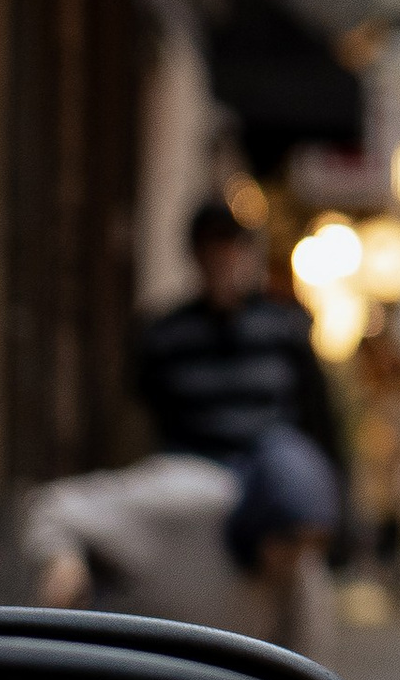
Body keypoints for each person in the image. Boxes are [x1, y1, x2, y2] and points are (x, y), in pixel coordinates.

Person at [23, 423, 342, 651]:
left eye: (311, 545)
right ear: (256, 520)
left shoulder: (301, 573)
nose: (297, 558)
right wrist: (63, 559)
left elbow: (303, 678)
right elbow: (53, 505)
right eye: (288, 541)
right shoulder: (180, 502)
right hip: (121, 679)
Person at [131, 202, 344, 483]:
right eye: (214, 245)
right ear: (196, 253)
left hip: (268, 470)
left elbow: (318, 417)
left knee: (296, 471)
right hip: (195, 471)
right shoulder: (166, 335)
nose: (224, 257)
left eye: (232, 245)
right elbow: (142, 418)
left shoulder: (283, 326)